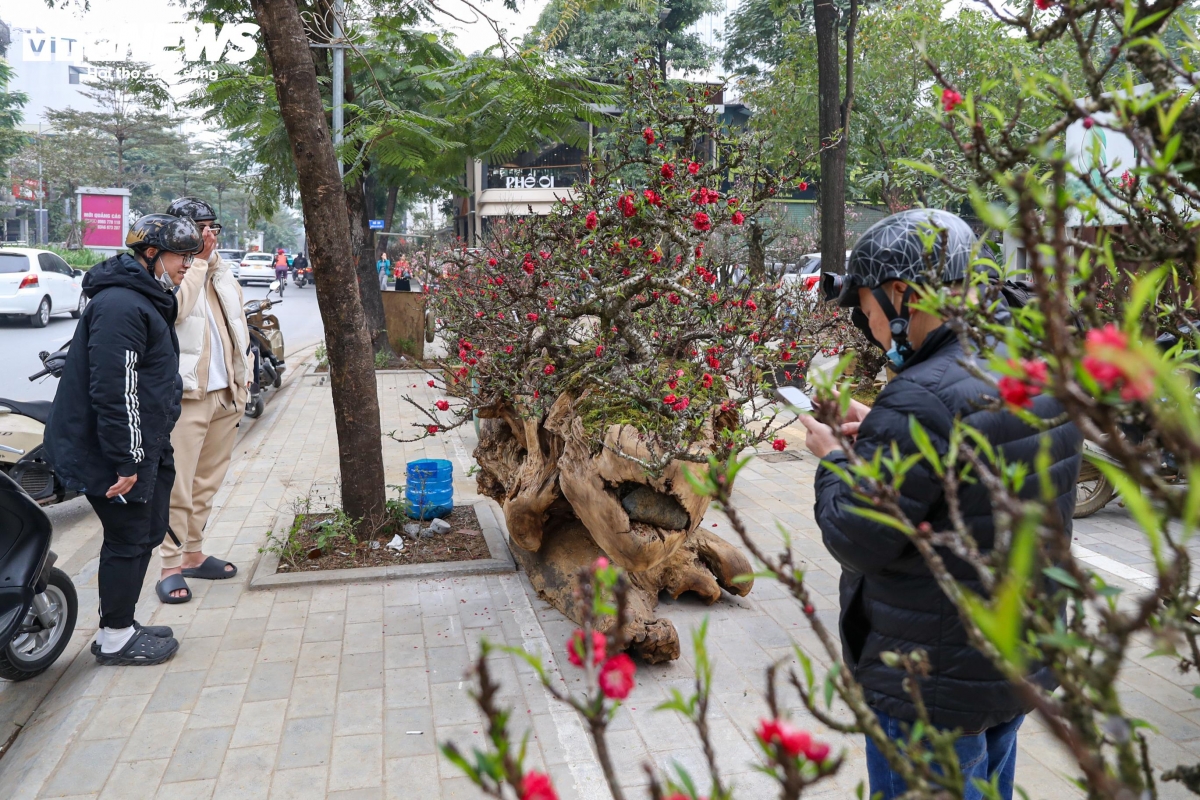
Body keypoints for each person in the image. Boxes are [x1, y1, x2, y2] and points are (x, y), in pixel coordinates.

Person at [797, 209, 1081, 800]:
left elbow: (856, 535)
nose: (869, 329)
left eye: (869, 312)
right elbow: (978, 463)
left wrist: (833, 458)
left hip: (933, 679)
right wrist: (886, 427)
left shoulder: (920, 396)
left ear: (902, 293)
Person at [43, 214, 201, 666]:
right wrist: (128, 461)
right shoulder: (121, 306)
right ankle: (114, 637)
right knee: (128, 537)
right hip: (112, 450)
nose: (186, 265)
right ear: (151, 254)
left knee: (145, 532)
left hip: (138, 443)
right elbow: (115, 390)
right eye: (180, 256)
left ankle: (123, 624)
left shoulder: (144, 297)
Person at [155, 198, 252, 603]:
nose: (209, 235)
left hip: (224, 393)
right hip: (187, 397)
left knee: (207, 484)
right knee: (178, 486)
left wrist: (241, 386)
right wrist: (196, 262)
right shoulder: (166, 274)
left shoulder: (221, 272)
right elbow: (175, 312)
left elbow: (237, 325)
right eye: (200, 228)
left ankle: (194, 554)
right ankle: (169, 566)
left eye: (213, 227)